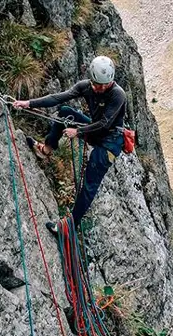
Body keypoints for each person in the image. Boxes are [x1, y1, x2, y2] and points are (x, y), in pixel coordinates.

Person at [12, 56, 127, 234]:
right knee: (65, 112)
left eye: (106, 84)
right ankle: (46, 150)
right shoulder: (85, 86)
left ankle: (69, 227)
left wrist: (78, 132)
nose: (102, 88)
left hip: (111, 141)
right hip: (95, 131)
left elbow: (105, 122)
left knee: (90, 183)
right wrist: (28, 103)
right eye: (98, 84)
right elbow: (58, 97)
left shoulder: (118, 94)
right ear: (91, 79)